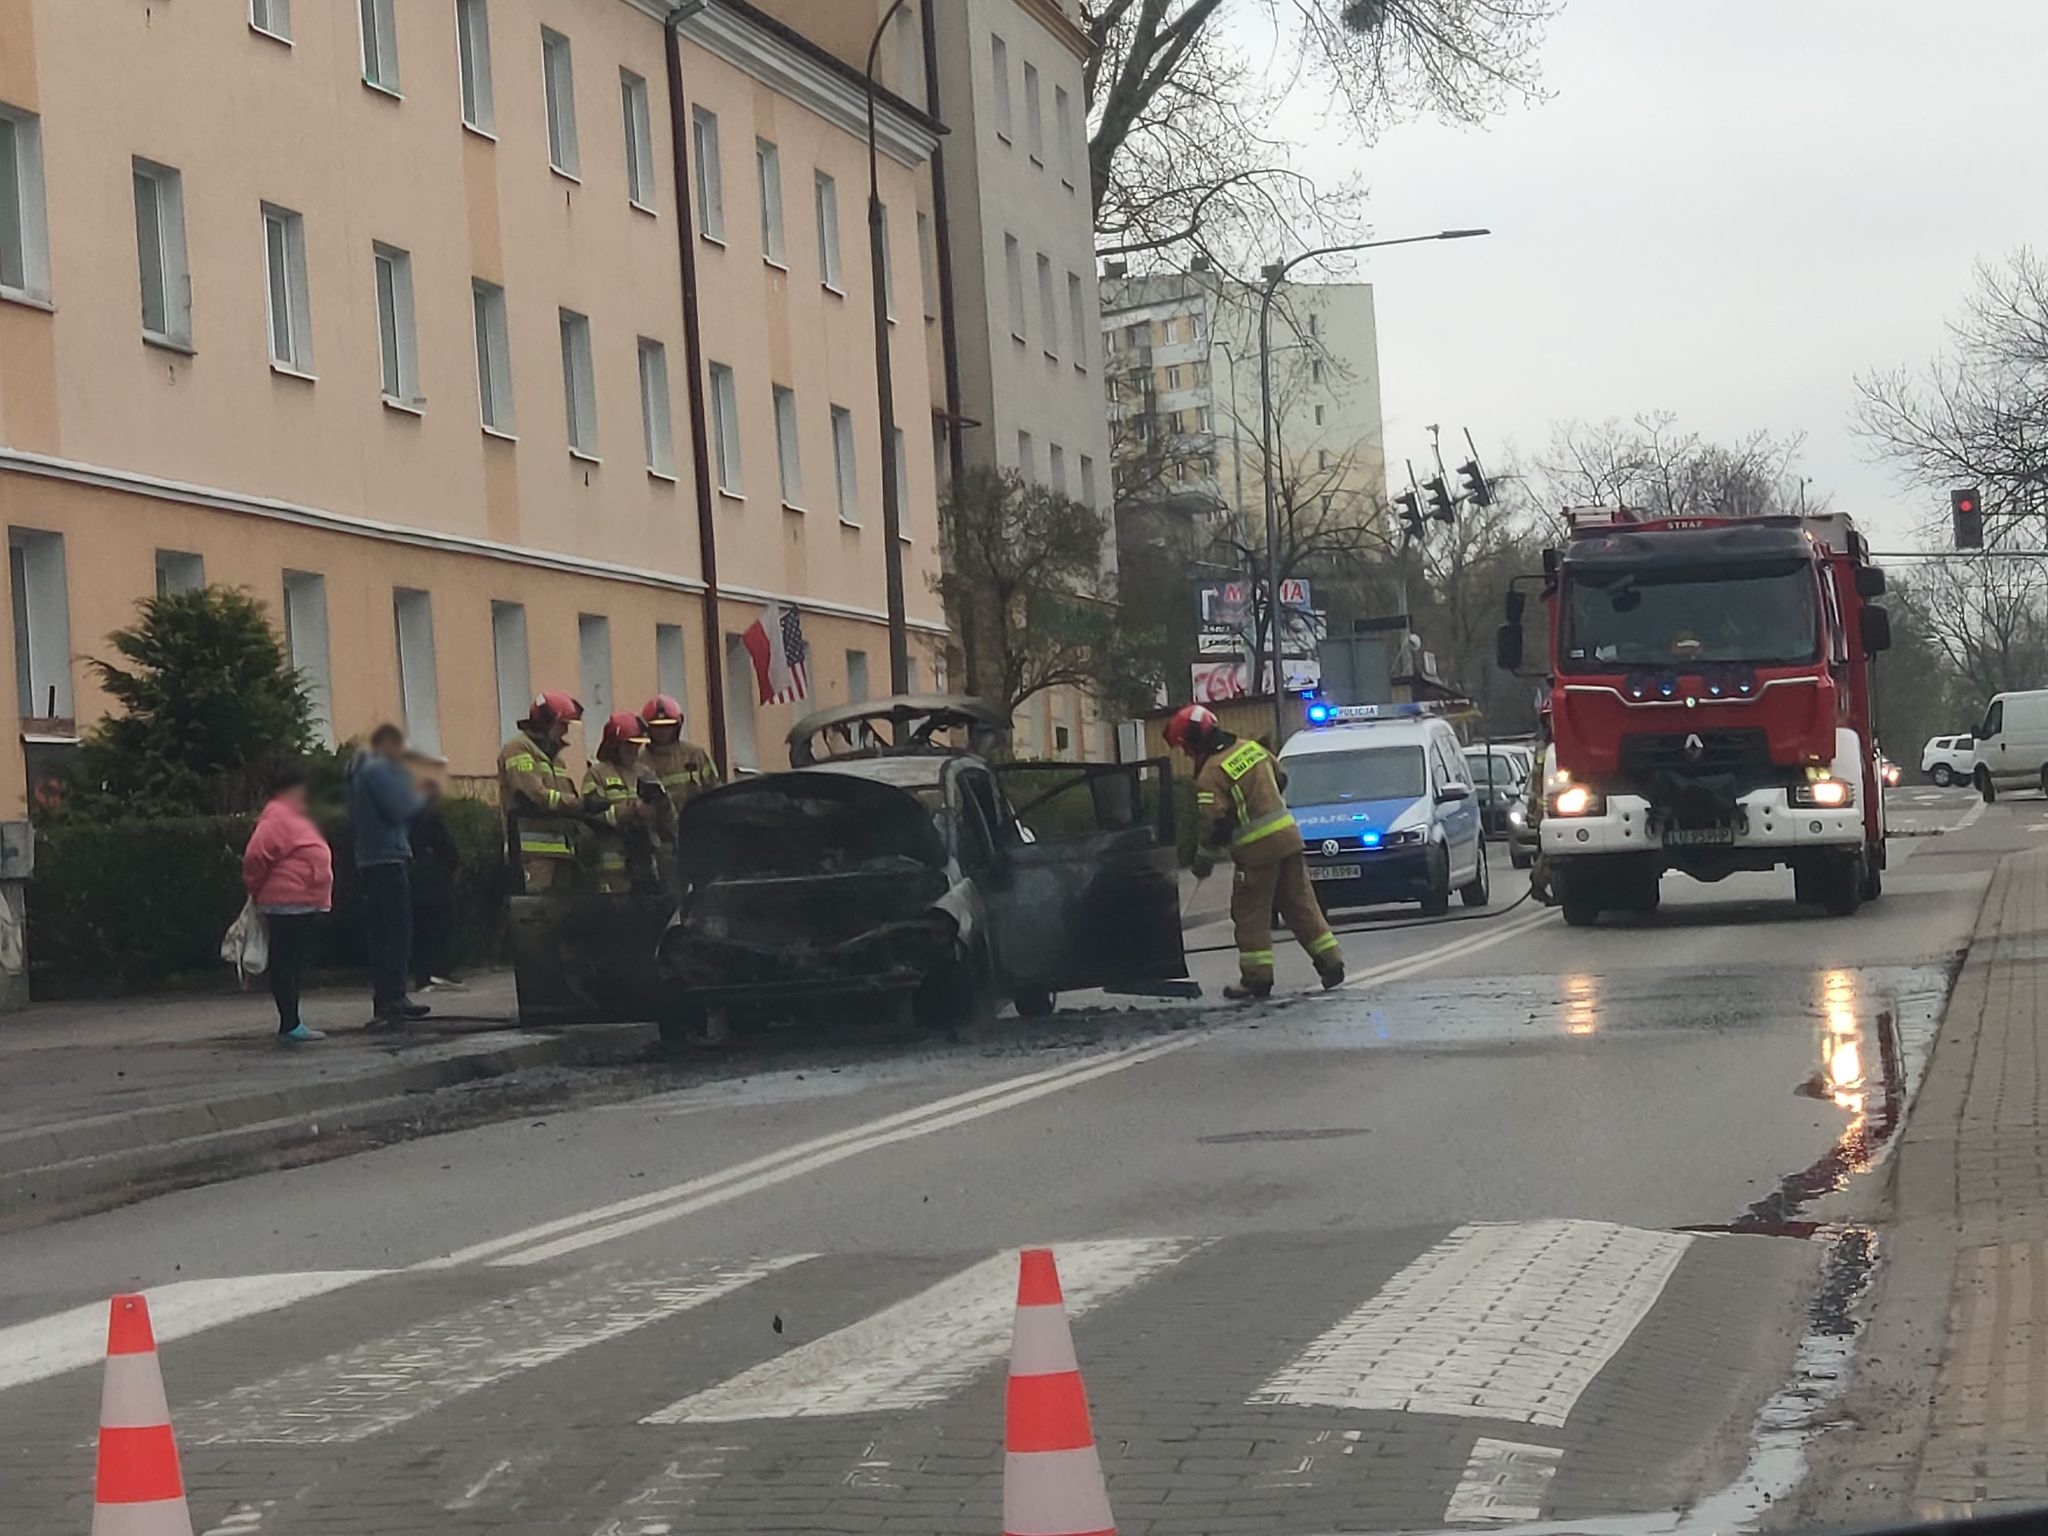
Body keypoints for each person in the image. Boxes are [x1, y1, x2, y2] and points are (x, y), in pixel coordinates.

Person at [1166, 703, 1344, 1000]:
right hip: (1289, 840)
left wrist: (1202, 864)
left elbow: (1211, 826)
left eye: (1186, 748)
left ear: (1195, 742)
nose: (1186, 754)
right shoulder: (1251, 749)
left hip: (1257, 853)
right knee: (1300, 905)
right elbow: (1281, 778)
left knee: (1249, 913)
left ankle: (1256, 978)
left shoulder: (1210, 773)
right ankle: (1331, 962)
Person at [241, 765, 333, 1043]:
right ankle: (290, 1023)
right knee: (287, 963)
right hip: (287, 901)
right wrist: (256, 888)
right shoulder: (277, 815)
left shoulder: (290, 815)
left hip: (300, 899)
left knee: (292, 962)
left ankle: (293, 1022)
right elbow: (256, 856)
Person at [346, 723, 429, 1027]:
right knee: (397, 932)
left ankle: (388, 998)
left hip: (369, 858)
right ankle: (393, 998)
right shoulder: (378, 771)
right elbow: (400, 807)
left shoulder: (357, 772)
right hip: (388, 857)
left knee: (381, 933)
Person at [498, 692, 584, 893]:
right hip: (530, 854)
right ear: (545, 722)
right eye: (562, 724)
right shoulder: (518, 748)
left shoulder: (556, 759)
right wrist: (579, 803)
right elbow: (532, 794)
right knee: (535, 916)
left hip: (561, 853)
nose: (565, 731)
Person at [583, 711, 657, 893]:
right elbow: (591, 816)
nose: (633, 750)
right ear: (613, 746)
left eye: (636, 745)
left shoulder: (645, 772)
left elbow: (666, 813)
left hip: (645, 861)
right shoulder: (597, 774)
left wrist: (655, 811)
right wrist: (628, 812)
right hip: (611, 867)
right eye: (627, 745)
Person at [409, 779, 463, 991]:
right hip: (434, 878)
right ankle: (440, 972)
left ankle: (422, 977)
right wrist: (455, 864)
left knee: (420, 930)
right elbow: (446, 846)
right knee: (441, 926)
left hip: (412, 877)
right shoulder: (431, 815)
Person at [639, 695, 720, 825]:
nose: (662, 731)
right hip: (659, 836)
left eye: (668, 726)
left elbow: (715, 791)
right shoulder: (639, 763)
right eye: (657, 727)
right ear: (647, 728)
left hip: (696, 828)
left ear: (677, 726)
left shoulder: (695, 755)